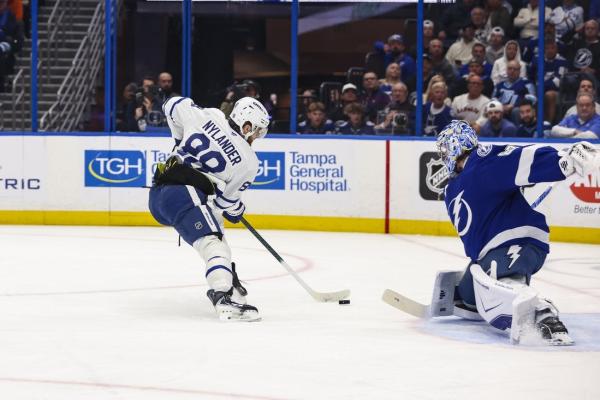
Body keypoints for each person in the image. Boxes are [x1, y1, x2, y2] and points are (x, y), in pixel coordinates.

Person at [436, 120, 597, 345]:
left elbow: (520, 158)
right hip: (489, 252)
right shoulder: (452, 187)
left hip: (518, 242)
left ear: (456, 144)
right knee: (470, 291)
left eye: (444, 149)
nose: (443, 155)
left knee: (501, 275)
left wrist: (563, 161)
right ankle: (472, 295)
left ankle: (543, 313)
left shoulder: (482, 160)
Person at [149, 96, 270, 321]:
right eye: (256, 132)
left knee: (215, 229)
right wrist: (237, 210)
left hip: (158, 195)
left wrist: (179, 139)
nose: (255, 137)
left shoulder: (209, 115)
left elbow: (172, 104)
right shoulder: (249, 162)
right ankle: (223, 297)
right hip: (184, 194)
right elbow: (225, 203)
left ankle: (227, 279)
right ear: (247, 126)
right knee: (213, 243)